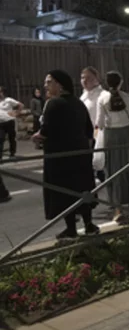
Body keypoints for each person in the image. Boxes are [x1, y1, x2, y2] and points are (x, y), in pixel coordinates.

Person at [32, 70, 99, 239]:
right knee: (81, 189)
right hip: (80, 154)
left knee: (63, 190)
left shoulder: (53, 104)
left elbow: (45, 131)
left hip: (60, 157)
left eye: (49, 82)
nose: (46, 85)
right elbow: (89, 130)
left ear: (59, 84)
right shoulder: (78, 103)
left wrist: (37, 137)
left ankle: (71, 229)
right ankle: (89, 224)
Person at [97, 71, 129, 224]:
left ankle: (118, 208)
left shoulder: (102, 99)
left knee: (114, 171)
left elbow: (100, 123)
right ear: (120, 82)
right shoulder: (127, 97)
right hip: (127, 135)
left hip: (111, 137)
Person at [80, 66, 105, 182]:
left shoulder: (103, 95)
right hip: (84, 135)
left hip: (98, 135)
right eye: (82, 78)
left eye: (88, 78)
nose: (84, 81)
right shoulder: (83, 96)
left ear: (96, 79)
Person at [0, 86, 23, 160]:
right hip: (1, 123)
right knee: (1, 138)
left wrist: (16, 113)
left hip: (9, 121)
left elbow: (20, 105)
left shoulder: (8, 100)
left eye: (1, 92)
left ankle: (12, 153)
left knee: (11, 138)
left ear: (3, 92)